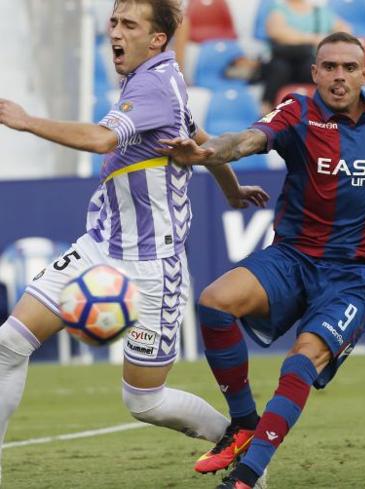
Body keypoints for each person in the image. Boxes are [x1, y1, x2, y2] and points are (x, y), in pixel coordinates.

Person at [158, 31, 365, 489]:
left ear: (364, 74)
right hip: (294, 258)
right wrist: (212, 151)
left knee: (300, 362)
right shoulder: (298, 112)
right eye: (329, 67)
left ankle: (247, 477)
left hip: (357, 274)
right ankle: (243, 423)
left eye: (348, 68)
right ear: (314, 72)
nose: (338, 77)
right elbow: (250, 138)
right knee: (214, 302)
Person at [0, 0, 269, 486]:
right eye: (114, 22)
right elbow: (200, 140)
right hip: (101, 247)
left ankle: (244, 449)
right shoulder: (164, 78)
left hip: (151, 267)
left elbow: (103, 141)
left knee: (144, 400)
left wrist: (26, 121)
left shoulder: (152, 87)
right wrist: (232, 190)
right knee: (8, 345)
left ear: (157, 39)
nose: (115, 32)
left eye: (129, 24)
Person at [261, 0, 349, 114]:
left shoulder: (319, 12)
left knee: (314, 68)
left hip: (307, 62)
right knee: (279, 68)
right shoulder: (278, 9)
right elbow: (276, 32)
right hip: (283, 60)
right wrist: (313, 38)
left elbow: (344, 29)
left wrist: (327, 41)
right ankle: (267, 110)